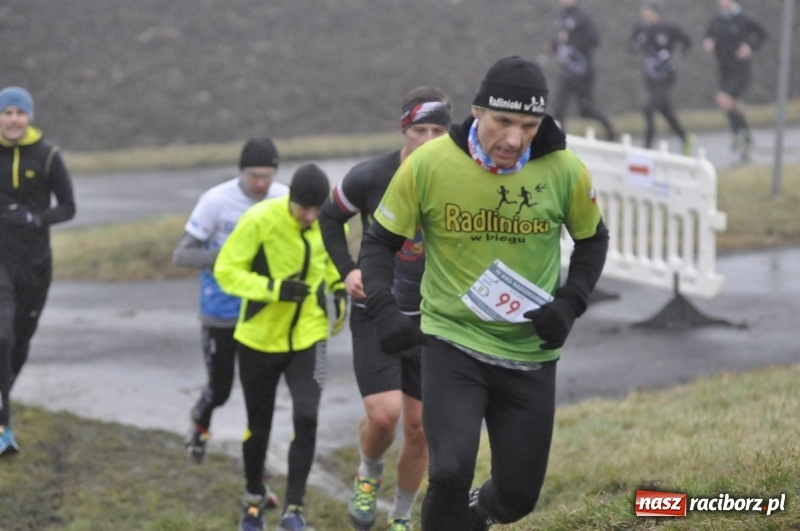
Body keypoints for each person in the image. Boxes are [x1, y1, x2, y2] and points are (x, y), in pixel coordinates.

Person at [358, 56, 609, 530]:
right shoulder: (430, 164)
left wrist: (570, 303)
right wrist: (383, 307)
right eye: (503, 122)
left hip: (529, 355)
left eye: (529, 125)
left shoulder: (564, 169)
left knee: (516, 497)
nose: (514, 140)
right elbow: (378, 241)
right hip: (453, 343)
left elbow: (593, 238)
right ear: (476, 111)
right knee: (449, 472)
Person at [319, 86, 452, 531]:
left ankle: (401, 517)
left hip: (433, 319)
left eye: (438, 130)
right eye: (420, 130)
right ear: (404, 130)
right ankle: (368, 473)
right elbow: (328, 216)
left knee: (419, 428)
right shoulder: (370, 176)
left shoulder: (460, 179)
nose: (429, 139)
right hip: (377, 308)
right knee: (384, 415)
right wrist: (346, 271)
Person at [214, 163, 347, 531]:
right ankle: (253, 498)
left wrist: (339, 288)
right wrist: (274, 289)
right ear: (290, 199)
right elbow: (226, 271)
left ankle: (294, 509)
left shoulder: (329, 221)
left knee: (307, 416)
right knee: (259, 425)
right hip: (258, 339)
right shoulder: (260, 219)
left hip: (309, 337)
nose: (310, 216)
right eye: (303, 208)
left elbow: (334, 262)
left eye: (316, 209)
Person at [173, 138, 288, 470]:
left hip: (264, 311)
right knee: (220, 389)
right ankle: (200, 422)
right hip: (221, 312)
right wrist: (233, 258)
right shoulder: (216, 201)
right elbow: (181, 254)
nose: (261, 183)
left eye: (267, 175)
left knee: (261, 393)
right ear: (241, 172)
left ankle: (257, 461)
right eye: (254, 175)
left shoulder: (283, 198)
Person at [0, 87, 76, 457]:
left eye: (19, 113)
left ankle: (3, 396)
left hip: (35, 263)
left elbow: (69, 208)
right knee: (2, 335)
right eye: (6, 112)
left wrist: (36, 219)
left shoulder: (48, 157)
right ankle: (3, 428)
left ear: (28, 117)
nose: (12, 120)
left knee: (21, 338)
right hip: (0, 262)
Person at [703, 0, 768, 163]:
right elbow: (708, 35)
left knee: (723, 100)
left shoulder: (744, 19)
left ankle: (738, 133)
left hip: (741, 70)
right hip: (724, 70)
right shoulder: (716, 20)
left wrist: (750, 47)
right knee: (735, 105)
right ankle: (744, 137)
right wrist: (709, 42)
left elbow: (763, 34)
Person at [546, 0, 618, 141]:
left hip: (582, 73)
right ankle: (560, 142)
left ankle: (609, 128)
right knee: (558, 108)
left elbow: (594, 40)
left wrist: (572, 39)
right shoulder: (562, 17)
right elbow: (562, 41)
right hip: (566, 73)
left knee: (586, 110)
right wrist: (553, 45)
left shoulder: (583, 17)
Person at [628, 0, 694, 153]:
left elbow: (687, 42)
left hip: (666, 77)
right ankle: (685, 138)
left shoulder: (668, 28)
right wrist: (636, 50)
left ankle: (647, 146)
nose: (645, 14)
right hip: (650, 77)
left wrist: (675, 56)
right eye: (644, 11)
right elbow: (631, 46)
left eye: (648, 11)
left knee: (648, 107)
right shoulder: (640, 29)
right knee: (666, 111)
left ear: (656, 13)